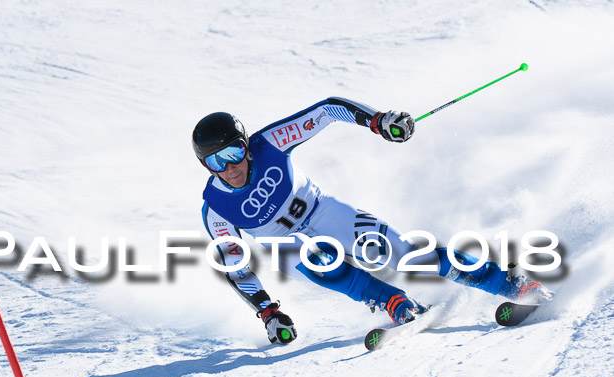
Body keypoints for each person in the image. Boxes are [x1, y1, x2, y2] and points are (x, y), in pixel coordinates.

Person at [194, 97, 553, 345]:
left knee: (409, 256)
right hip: (285, 244)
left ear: (245, 144)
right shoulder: (216, 209)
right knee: (321, 265)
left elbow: (326, 110)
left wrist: (378, 121)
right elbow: (236, 268)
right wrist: (268, 312)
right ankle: (394, 302)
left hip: (322, 211)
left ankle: (510, 284)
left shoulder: (269, 142)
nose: (230, 167)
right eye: (216, 162)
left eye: (234, 152)